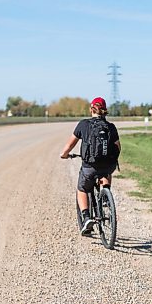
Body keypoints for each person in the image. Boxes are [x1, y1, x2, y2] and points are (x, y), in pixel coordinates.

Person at [60, 97, 121, 235]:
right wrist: (112, 159)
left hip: (89, 166)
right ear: (105, 111)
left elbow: (70, 145)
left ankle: (86, 217)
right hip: (108, 166)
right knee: (105, 173)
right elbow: (118, 146)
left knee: (82, 188)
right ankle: (105, 194)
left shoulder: (83, 124)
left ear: (91, 109)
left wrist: (64, 154)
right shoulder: (111, 127)